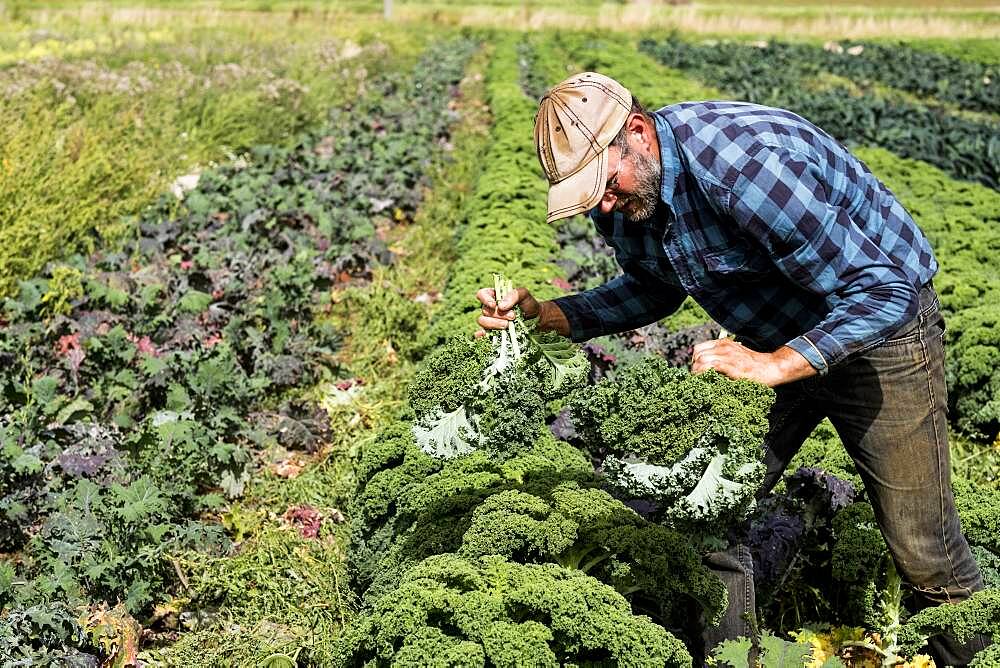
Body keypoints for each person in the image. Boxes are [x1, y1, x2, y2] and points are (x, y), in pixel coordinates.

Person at [474, 71, 990, 665]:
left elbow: (882, 291)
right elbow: (652, 290)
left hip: (881, 336)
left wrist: (776, 364)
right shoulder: (621, 198)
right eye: (590, 196)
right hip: (772, 338)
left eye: (604, 184)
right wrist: (545, 316)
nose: (604, 205)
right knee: (701, 507)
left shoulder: (744, 169)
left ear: (636, 133)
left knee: (924, 552)